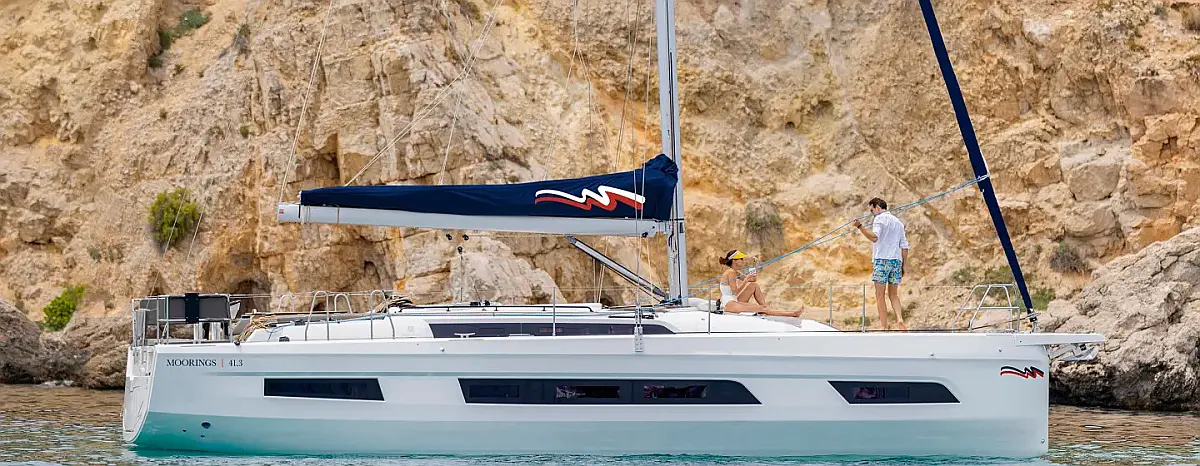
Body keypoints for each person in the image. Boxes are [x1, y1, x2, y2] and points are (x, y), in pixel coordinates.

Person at [852, 198, 910, 331]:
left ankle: (884, 327)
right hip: (896, 261)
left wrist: (860, 226)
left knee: (879, 295)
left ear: (877, 207)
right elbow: (905, 246)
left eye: (872, 210)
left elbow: (874, 237)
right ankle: (899, 319)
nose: (872, 213)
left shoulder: (879, 219)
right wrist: (903, 265)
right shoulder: (898, 222)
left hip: (882, 261)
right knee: (893, 294)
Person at [717, 250, 803, 317]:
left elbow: (753, 280)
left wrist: (754, 266)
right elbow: (735, 292)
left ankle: (765, 307)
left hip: (733, 300)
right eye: (741, 259)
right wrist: (745, 280)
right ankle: (792, 314)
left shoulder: (736, 272)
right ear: (734, 261)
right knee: (762, 308)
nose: (743, 261)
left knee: (754, 286)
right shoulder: (731, 272)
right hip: (728, 303)